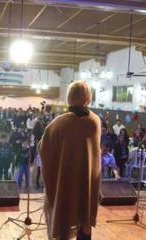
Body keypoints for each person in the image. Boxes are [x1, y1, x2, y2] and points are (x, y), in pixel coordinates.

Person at [39, 81, 101, 240]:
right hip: (86, 182)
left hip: (65, 182)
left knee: (64, 218)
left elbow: (43, 149)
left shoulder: (58, 124)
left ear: (69, 97)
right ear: (88, 97)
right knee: (84, 218)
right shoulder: (95, 121)